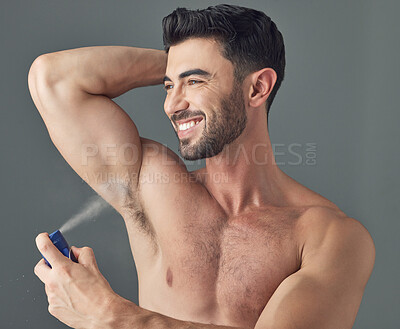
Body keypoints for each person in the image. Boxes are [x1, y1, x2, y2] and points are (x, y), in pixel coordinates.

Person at [29, 4, 375, 329]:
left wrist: (112, 316)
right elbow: (54, 78)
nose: (172, 104)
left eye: (194, 81)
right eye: (168, 85)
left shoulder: (328, 237)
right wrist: (181, 66)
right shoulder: (152, 185)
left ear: (257, 88)